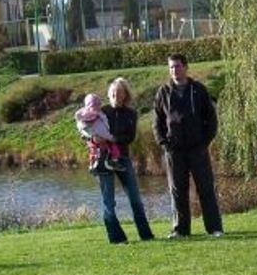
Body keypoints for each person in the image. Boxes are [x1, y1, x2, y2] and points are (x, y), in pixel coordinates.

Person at [153, 53, 224, 239]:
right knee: (177, 190)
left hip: (197, 148)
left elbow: (211, 119)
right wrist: (164, 143)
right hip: (174, 150)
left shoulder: (198, 90)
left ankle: (214, 228)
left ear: (186, 67)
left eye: (177, 66)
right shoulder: (163, 92)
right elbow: (157, 121)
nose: (174, 70)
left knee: (206, 188)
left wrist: (204, 142)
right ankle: (180, 230)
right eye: (171, 67)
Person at [97, 77, 155, 244]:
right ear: (109, 94)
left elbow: (129, 137)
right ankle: (116, 238)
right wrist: (94, 138)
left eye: (120, 93)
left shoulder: (131, 114)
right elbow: (85, 129)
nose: (116, 95)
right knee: (108, 200)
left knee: (135, 198)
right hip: (104, 159)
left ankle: (146, 235)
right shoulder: (102, 112)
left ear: (125, 95)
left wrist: (111, 139)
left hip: (122, 158)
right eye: (113, 92)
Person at [75, 92, 124, 173]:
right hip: (100, 139)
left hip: (100, 139)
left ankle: (97, 163)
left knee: (96, 150)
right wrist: (110, 138)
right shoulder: (97, 117)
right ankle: (110, 161)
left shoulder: (88, 115)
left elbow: (80, 125)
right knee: (106, 148)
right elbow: (102, 130)